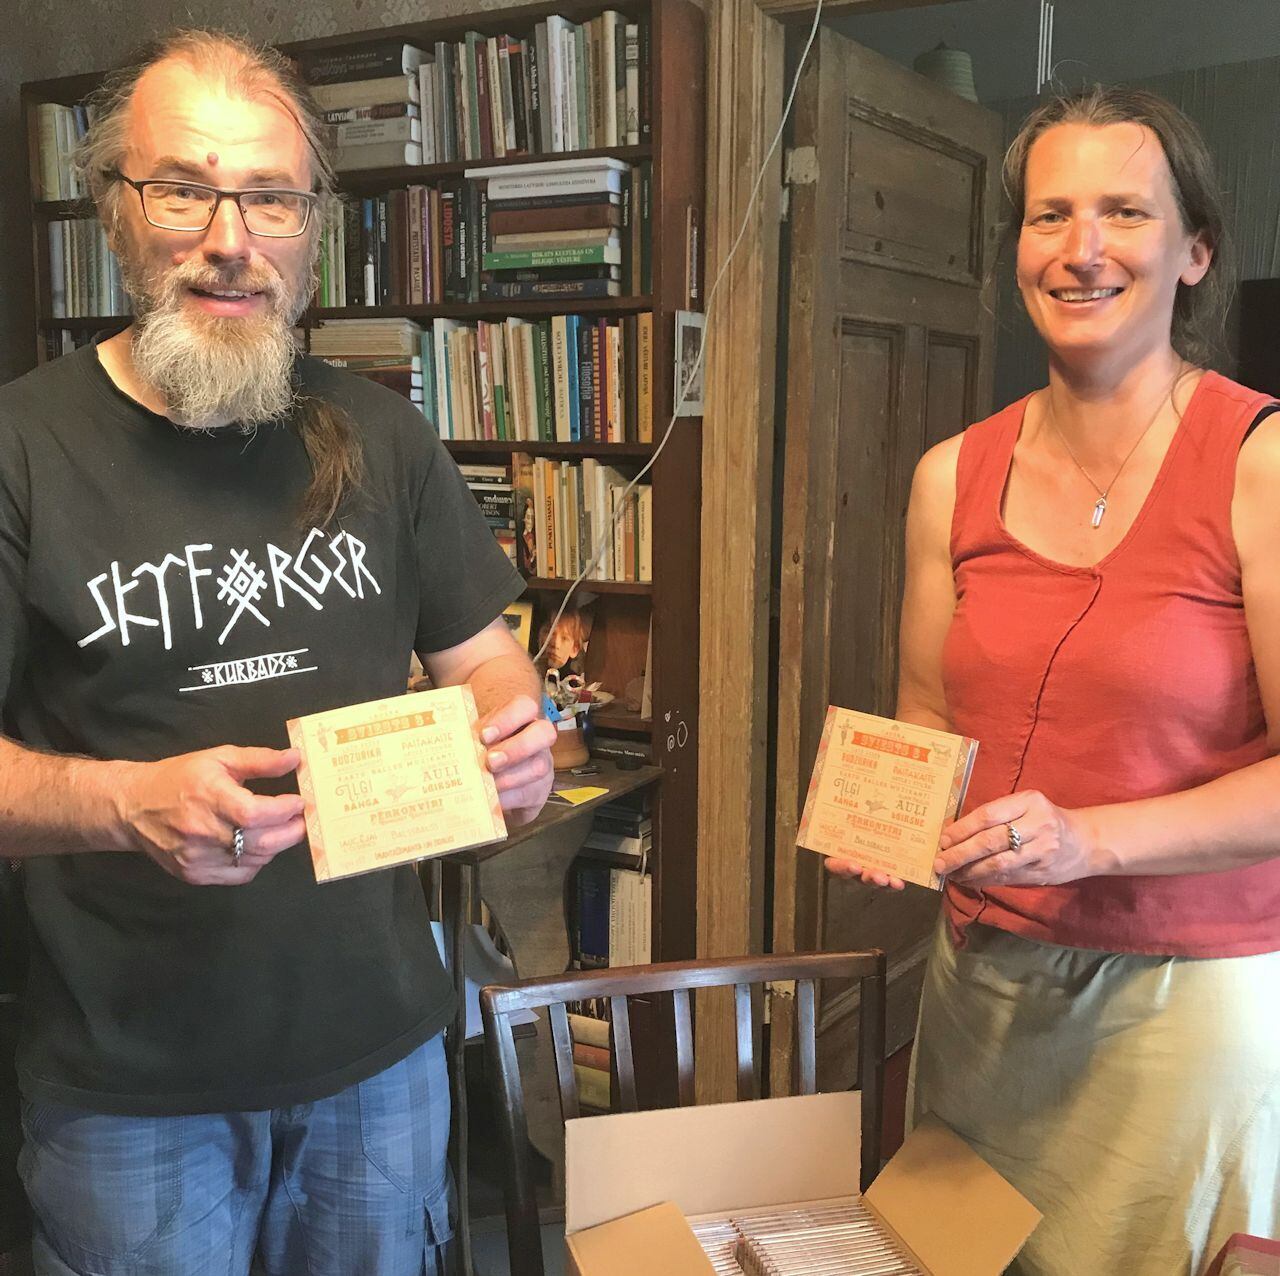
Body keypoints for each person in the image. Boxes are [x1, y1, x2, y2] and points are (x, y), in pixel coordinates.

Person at [0, 29, 555, 1276]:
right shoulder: (21, 449)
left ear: (310, 228)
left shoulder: (384, 434)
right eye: (183, 190)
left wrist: (514, 732)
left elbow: (487, 660)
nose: (229, 237)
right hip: (128, 1087)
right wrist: (123, 803)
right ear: (115, 210)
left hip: (381, 1057)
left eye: (270, 197)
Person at [828, 87, 1280, 1275]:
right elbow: (927, 717)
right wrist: (894, 816)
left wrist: (1089, 839)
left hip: (1185, 1001)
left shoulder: (1260, 462)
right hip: (981, 988)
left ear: (1193, 252)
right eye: (1048, 215)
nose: (1080, 249)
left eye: (1123, 212)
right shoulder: (949, 474)